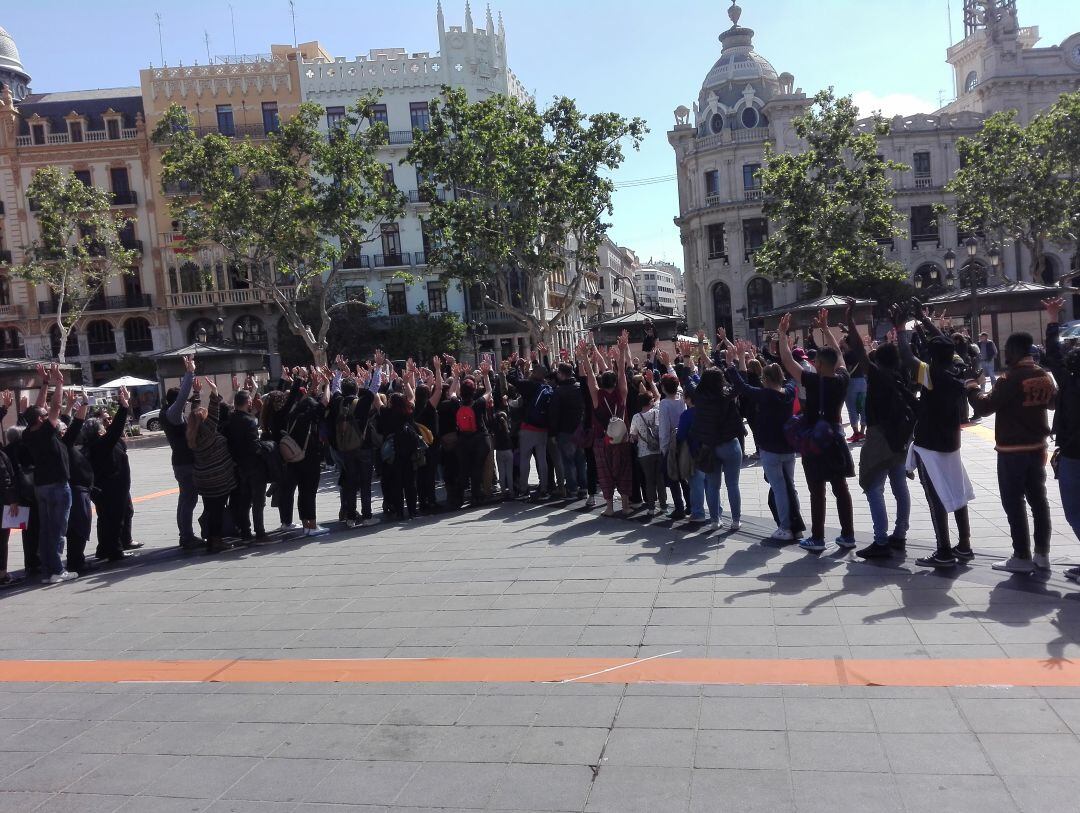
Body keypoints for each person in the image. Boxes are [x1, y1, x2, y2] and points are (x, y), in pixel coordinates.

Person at [968, 329, 1057, 573]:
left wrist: (971, 388)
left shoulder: (1011, 378)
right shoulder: (1043, 376)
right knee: (1039, 501)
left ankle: (1021, 555)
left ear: (1016, 351)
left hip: (1012, 450)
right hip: (1038, 447)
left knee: (1014, 501)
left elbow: (986, 407)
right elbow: (1053, 402)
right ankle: (1042, 554)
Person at [899, 303, 976, 568]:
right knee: (958, 493)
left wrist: (900, 330)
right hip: (951, 443)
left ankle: (943, 550)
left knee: (935, 497)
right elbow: (945, 345)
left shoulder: (932, 374)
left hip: (930, 445)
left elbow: (907, 359)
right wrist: (925, 320)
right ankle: (964, 545)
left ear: (931, 356)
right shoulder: (957, 367)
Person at [778, 311, 856, 552]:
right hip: (836, 439)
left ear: (819, 364)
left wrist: (782, 334)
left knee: (817, 490)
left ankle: (818, 537)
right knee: (840, 488)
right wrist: (826, 329)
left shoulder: (812, 380)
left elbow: (787, 361)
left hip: (814, 440)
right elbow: (839, 355)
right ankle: (848, 535)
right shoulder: (843, 379)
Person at [845, 308, 914, 560]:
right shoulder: (903, 374)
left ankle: (881, 540)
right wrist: (899, 328)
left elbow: (861, 354)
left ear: (878, 361)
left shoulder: (878, 375)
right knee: (899, 485)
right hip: (900, 437)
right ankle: (900, 532)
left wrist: (851, 321)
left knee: (874, 487)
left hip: (880, 436)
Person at [727, 341, 801, 541]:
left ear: (766, 379)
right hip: (788, 447)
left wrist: (731, 364)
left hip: (770, 449)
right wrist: (783, 351)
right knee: (790, 486)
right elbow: (791, 373)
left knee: (779, 489)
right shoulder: (790, 391)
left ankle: (785, 527)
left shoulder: (765, 395)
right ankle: (796, 525)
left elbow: (742, 387)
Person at [22, 363, 76, 584]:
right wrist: (59, 382)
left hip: (41, 487)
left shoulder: (28, 432)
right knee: (57, 529)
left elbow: (38, 409)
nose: (48, 415)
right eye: (45, 416)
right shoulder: (45, 431)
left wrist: (45, 383)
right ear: (41, 420)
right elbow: (52, 407)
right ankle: (56, 570)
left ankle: (47, 570)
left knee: (46, 529)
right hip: (56, 486)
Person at [1042, 298, 1080, 581]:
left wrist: (1053, 319)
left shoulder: (1070, 381)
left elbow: (1053, 355)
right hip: (1071, 450)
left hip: (1074, 453)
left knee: (1074, 510)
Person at [690, 348, 744, 533]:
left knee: (713, 486)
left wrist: (686, 361)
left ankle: (715, 520)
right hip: (730, 444)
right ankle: (735, 520)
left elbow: (686, 381)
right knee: (733, 485)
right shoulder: (725, 395)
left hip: (711, 447)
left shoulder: (699, 397)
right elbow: (740, 385)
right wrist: (731, 365)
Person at [579, 333, 633, 517]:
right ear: (616, 383)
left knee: (605, 473)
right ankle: (625, 506)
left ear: (602, 383)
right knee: (624, 471)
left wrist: (585, 357)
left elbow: (590, 380)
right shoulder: (622, 394)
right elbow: (622, 373)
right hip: (622, 440)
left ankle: (609, 507)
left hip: (602, 440)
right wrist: (623, 351)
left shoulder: (597, 396)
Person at [80, 388, 134, 563]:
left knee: (105, 519)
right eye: (103, 425)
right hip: (112, 487)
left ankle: (103, 549)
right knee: (115, 519)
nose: (105, 427)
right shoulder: (102, 444)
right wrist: (124, 406)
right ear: (98, 430)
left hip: (101, 487)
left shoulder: (89, 446)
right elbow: (117, 428)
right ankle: (115, 551)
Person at [186, 378, 236, 553]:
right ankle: (216, 540)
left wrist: (197, 394)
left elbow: (194, 414)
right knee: (216, 511)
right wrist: (214, 391)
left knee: (209, 508)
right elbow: (214, 411)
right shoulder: (207, 431)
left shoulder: (193, 433)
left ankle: (211, 538)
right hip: (217, 478)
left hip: (203, 478)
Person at [279, 368, 331, 536]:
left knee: (302, 492)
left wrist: (313, 386)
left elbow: (306, 399)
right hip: (309, 457)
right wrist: (327, 384)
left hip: (295, 459)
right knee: (310, 492)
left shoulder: (293, 415)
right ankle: (313, 525)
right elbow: (325, 401)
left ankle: (306, 525)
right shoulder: (309, 415)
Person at [163, 355, 202, 550]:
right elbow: (181, 399)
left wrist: (196, 394)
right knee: (188, 499)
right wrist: (189, 372)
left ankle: (185, 534)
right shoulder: (171, 414)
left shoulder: (167, 413)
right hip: (185, 463)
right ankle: (186, 536)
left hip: (180, 462)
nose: (183, 405)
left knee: (185, 499)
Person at [509, 351, 553, 501]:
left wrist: (515, 364)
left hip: (528, 427)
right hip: (543, 428)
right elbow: (549, 373)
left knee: (525, 459)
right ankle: (544, 489)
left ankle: (523, 489)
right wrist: (543, 359)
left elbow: (514, 379)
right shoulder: (547, 386)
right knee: (542, 459)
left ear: (534, 373)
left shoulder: (529, 385)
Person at [226, 386, 268, 540]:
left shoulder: (230, 419)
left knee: (244, 500)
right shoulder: (249, 421)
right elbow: (254, 446)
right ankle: (260, 531)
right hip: (253, 465)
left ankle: (245, 530)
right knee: (258, 500)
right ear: (247, 402)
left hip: (238, 465)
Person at [549, 361, 586, 500]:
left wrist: (553, 433)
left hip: (564, 430)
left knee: (568, 461)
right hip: (579, 428)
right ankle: (583, 487)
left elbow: (554, 414)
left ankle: (572, 489)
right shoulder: (579, 388)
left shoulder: (558, 392)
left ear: (561, 374)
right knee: (581, 460)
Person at [656, 368, 688, 521]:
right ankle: (690, 504)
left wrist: (663, 448)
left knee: (673, 476)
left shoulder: (664, 403)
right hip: (683, 440)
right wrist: (669, 366)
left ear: (663, 388)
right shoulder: (682, 398)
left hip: (670, 443)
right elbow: (677, 383)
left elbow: (663, 428)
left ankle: (679, 507)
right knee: (684, 475)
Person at [630, 387, 666, 517]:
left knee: (649, 481)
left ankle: (651, 508)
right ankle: (663, 506)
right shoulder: (657, 412)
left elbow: (633, 436)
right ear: (650, 401)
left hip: (644, 453)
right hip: (658, 450)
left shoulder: (636, 417)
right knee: (660, 480)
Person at [842, 330, 868, 442]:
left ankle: (856, 433)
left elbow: (845, 369)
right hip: (863, 381)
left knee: (851, 408)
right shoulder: (862, 353)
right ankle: (863, 431)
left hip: (851, 382)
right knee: (862, 407)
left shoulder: (846, 355)